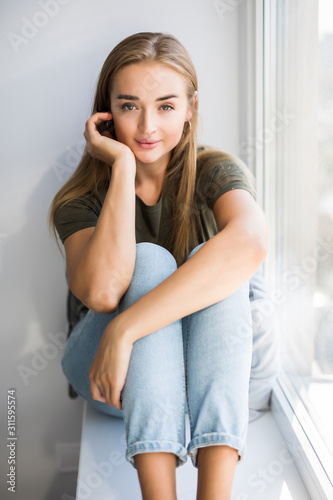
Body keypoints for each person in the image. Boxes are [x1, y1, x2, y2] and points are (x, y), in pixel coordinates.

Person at [48, 31, 278, 500]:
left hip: (212, 372)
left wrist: (128, 328)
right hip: (109, 373)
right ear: (107, 112)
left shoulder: (216, 170)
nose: (147, 126)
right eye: (130, 106)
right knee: (149, 260)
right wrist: (123, 169)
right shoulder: (80, 198)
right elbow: (102, 294)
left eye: (167, 106)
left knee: (220, 264)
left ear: (191, 107)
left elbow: (251, 242)